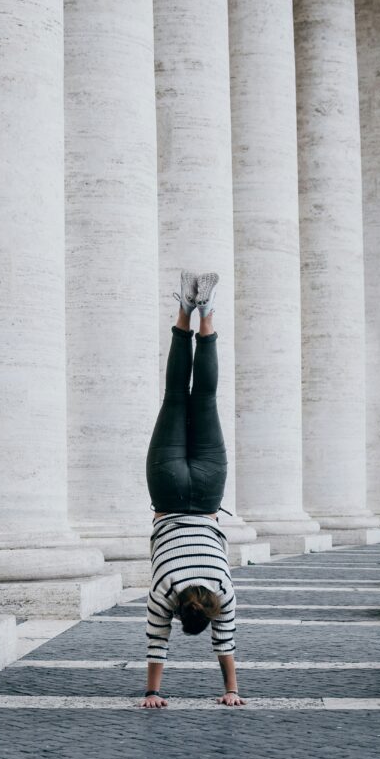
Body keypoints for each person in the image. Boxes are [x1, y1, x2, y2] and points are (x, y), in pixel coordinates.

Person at [141, 272, 245, 709]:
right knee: (173, 397)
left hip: (205, 495)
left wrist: (232, 691)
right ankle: (185, 306)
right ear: (181, 613)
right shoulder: (165, 589)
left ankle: (207, 310)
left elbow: (227, 648)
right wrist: (152, 692)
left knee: (204, 399)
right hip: (166, 494)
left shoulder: (222, 590)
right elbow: (155, 644)